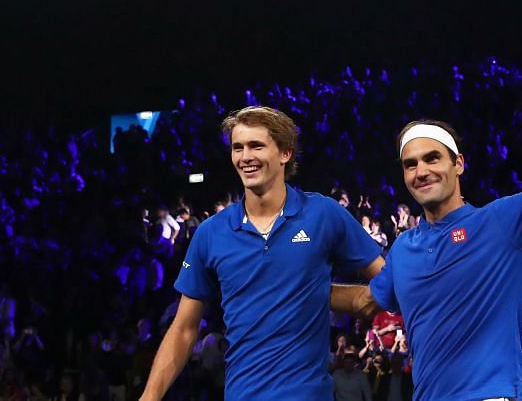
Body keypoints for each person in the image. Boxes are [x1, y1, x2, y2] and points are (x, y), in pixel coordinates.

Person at [335, 16, 522, 400]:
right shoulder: (403, 250)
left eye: (433, 158)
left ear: (458, 164)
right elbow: (362, 301)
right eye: (410, 164)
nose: (421, 171)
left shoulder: (502, 222)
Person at [140, 106, 384, 400]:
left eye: (256, 146)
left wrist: (331, 294)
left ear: (285, 154)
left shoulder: (323, 214)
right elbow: (183, 330)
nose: (245, 157)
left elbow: (386, 279)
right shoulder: (211, 233)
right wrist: (149, 397)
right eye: (237, 147)